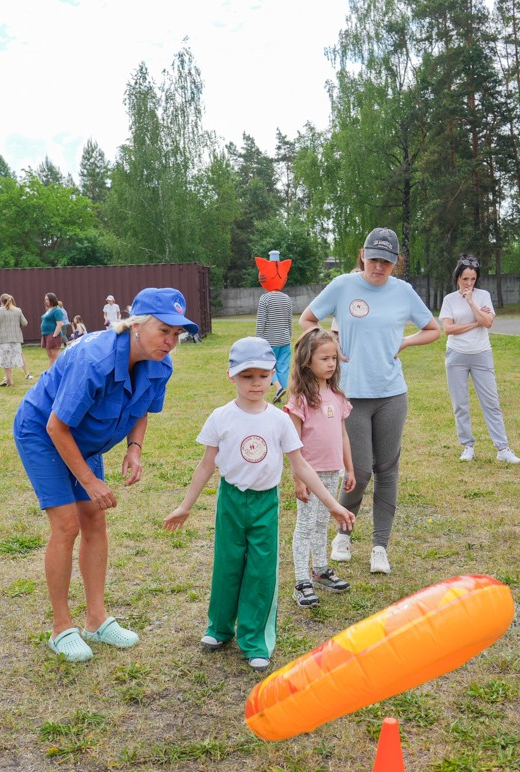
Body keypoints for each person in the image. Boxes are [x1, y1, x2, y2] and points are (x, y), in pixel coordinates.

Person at [14, 288, 199, 664]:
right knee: (66, 525)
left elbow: (142, 407)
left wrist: (134, 448)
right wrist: (89, 480)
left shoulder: (160, 363)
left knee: (95, 520)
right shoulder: (93, 359)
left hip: (83, 438)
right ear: (135, 325)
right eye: (164, 330)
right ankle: (62, 627)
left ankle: (96, 620)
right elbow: (56, 426)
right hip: (44, 431)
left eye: (177, 334)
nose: (171, 341)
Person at [163, 337, 355, 672]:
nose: (256, 383)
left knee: (261, 571)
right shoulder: (221, 417)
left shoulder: (278, 420)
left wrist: (333, 504)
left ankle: (254, 639)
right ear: (231, 375)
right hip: (231, 502)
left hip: (265, 503)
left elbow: (301, 465)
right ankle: (219, 628)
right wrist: (185, 506)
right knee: (228, 564)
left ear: (272, 376)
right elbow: (206, 465)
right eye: (247, 376)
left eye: (263, 376)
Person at [299, 227, 439, 574]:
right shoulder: (343, 286)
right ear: (363, 255)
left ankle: (380, 547)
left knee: (387, 470)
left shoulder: (403, 292)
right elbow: (307, 319)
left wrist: (406, 342)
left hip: (392, 394)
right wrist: (328, 343)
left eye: (387, 262)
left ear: (395, 263)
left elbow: (434, 329)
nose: (379, 267)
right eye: (374, 259)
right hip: (350, 397)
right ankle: (343, 534)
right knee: (358, 472)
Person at [284, 328, 355, 608]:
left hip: (333, 472)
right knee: (305, 526)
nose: (331, 364)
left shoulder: (337, 395)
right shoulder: (300, 399)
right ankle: (302, 580)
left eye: (334, 359)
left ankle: (320, 569)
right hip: (309, 474)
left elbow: (343, 434)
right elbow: (293, 443)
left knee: (323, 523)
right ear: (307, 361)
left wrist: (348, 468)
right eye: (324, 358)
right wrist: (298, 479)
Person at [439, 254, 520, 464]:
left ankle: (502, 448)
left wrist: (471, 303)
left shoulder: (483, 295)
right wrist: (475, 322)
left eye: (472, 279)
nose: (468, 283)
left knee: (491, 402)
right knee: (461, 404)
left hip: (481, 354)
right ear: (457, 277)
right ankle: (467, 446)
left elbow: (488, 322)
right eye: (465, 279)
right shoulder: (449, 299)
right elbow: (448, 329)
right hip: (456, 355)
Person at [255, 257, 293, 404]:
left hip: (269, 341)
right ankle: (282, 390)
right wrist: (288, 335)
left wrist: (258, 339)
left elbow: (261, 321)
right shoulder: (287, 299)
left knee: (269, 365)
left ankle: (278, 388)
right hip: (285, 340)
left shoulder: (265, 299)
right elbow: (289, 320)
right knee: (283, 366)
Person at [0, 293, 33, 386]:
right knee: (14, 359)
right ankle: (10, 380)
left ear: (1, 301)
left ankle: (10, 381)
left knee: (6, 362)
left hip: (3, 339)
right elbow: (25, 323)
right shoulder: (18, 310)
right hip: (16, 339)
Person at [40, 292, 65, 369]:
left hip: (53, 335)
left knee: (55, 356)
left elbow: (60, 323)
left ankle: (60, 371)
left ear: (52, 299)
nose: (45, 301)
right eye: (45, 299)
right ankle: (50, 372)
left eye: (47, 299)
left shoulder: (57, 310)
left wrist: (54, 335)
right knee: (50, 356)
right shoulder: (48, 310)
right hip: (46, 335)